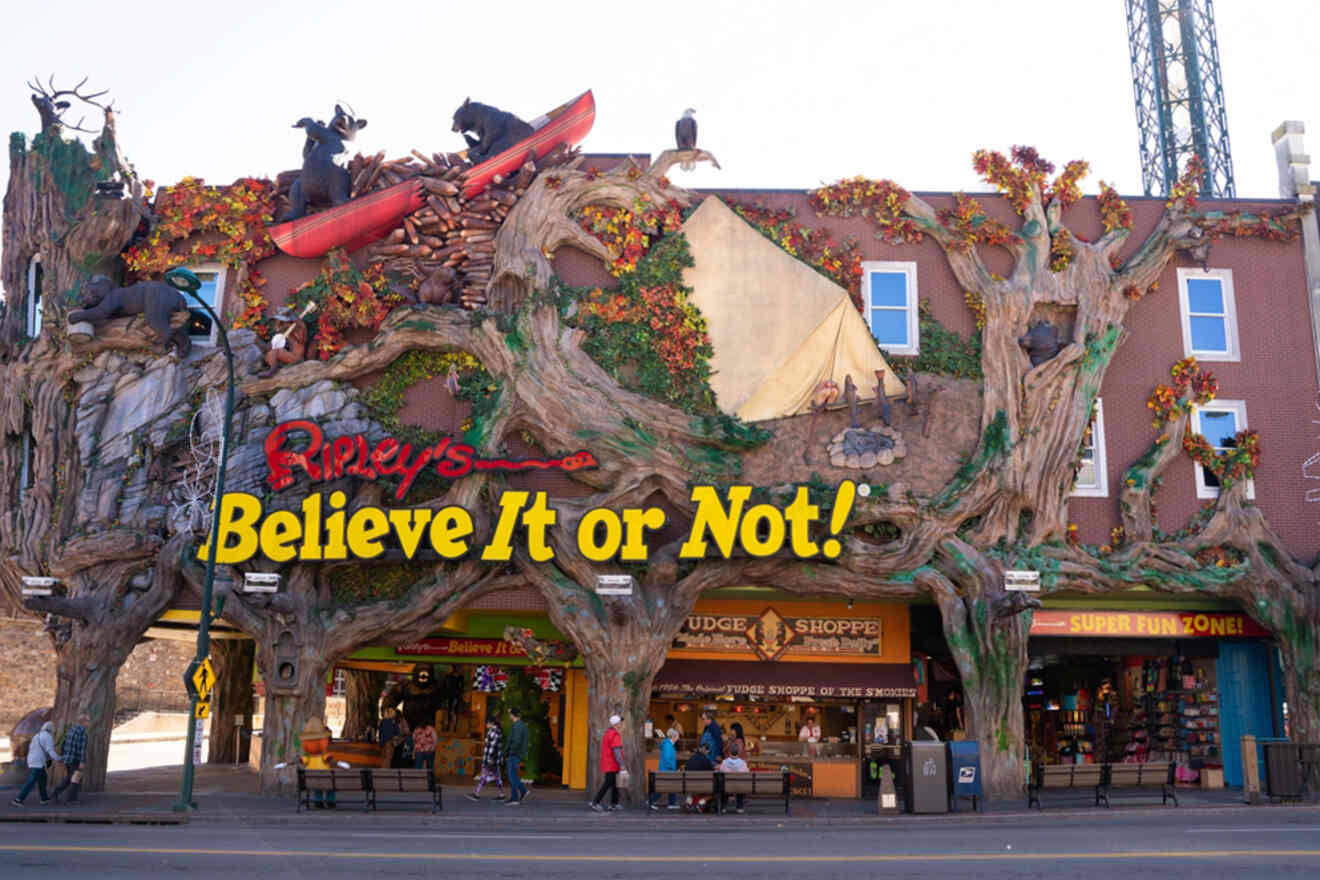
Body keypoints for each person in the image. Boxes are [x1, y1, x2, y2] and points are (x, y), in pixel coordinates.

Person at [12, 721, 58, 807]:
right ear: (51, 729)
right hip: (38, 763)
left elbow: (34, 749)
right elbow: (50, 751)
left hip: (33, 761)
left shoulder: (37, 736)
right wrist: (58, 758)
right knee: (31, 781)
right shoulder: (48, 737)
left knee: (43, 778)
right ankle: (18, 799)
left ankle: (44, 798)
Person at [51, 714, 89, 804]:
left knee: (70, 778)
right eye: (87, 721)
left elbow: (64, 744)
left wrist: (64, 756)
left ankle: (55, 793)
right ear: (83, 722)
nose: (88, 723)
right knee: (75, 779)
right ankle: (71, 799)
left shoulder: (71, 730)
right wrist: (82, 761)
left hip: (68, 759)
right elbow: (82, 749)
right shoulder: (82, 732)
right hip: (75, 759)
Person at [590, 714, 624, 812]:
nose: (621, 724)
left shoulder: (608, 733)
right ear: (616, 724)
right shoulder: (615, 734)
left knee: (615, 784)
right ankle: (595, 802)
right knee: (608, 783)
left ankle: (614, 803)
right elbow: (617, 752)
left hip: (608, 763)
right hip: (612, 764)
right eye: (620, 722)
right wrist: (622, 764)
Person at [465, 717, 505, 802]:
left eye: (487, 723)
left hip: (491, 759)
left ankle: (476, 794)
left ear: (491, 723)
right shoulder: (494, 731)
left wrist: (489, 758)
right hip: (493, 759)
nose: (486, 725)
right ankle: (502, 794)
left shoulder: (494, 732)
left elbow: (493, 746)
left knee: (484, 776)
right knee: (497, 777)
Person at [648, 728, 680, 811]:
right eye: (677, 736)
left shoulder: (667, 744)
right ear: (673, 736)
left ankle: (670, 803)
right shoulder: (669, 745)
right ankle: (652, 801)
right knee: (664, 787)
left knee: (667, 786)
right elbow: (667, 759)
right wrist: (674, 769)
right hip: (668, 770)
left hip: (665, 769)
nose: (678, 738)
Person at [505, 706, 530, 805]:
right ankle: (523, 791)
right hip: (517, 754)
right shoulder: (521, 725)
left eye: (510, 714)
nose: (509, 716)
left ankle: (515, 798)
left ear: (513, 715)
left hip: (515, 754)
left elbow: (516, 741)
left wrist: (510, 751)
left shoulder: (517, 726)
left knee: (512, 776)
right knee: (513, 775)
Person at [683, 743, 715, 812]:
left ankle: (688, 802)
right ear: (707, 751)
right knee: (714, 791)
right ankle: (701, 802)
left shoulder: (691, 759)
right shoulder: (707, 761)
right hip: (703, 787)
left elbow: (686, 769)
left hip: (690, 786)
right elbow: (712, 773)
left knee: (693, 791)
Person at [720, 740, 749, 814]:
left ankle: (723, 807)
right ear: (738, 752)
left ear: (729, 752)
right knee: (740, 786)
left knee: (724, 786)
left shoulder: (724, 762)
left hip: (726, 786)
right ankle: (739, 807)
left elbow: (721, 773)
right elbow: (747, 774)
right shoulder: (743, 763)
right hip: (739, 787)